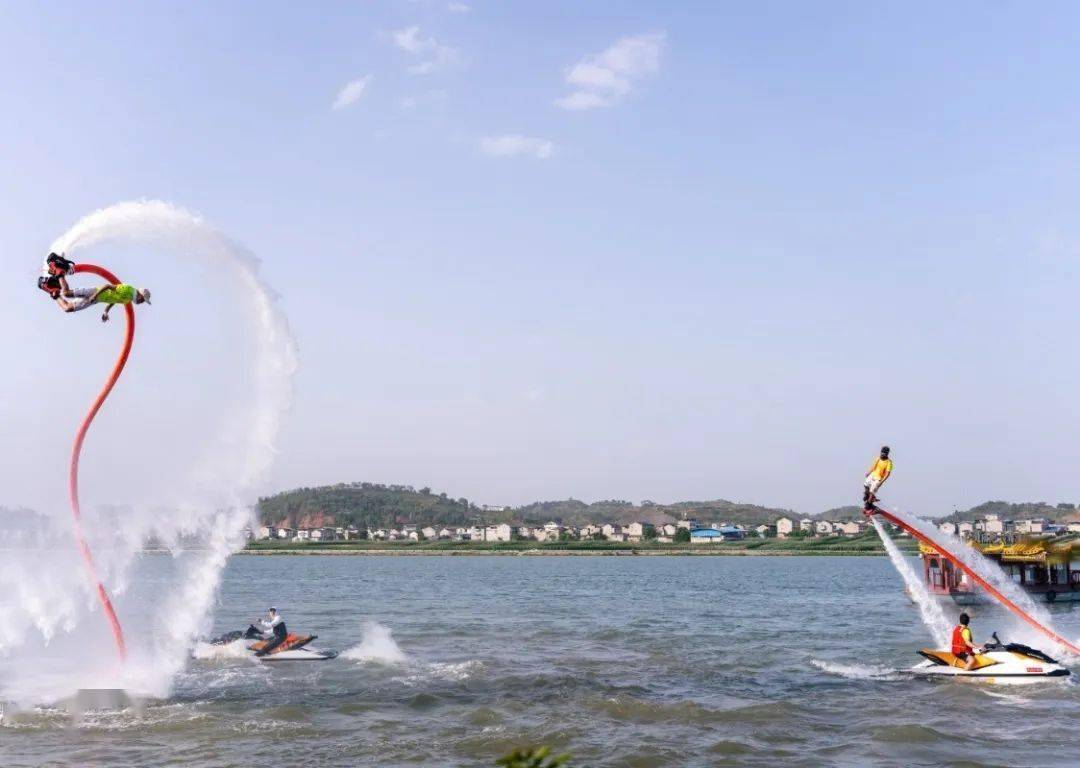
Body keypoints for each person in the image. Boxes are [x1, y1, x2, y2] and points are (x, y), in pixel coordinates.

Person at [51, 282, 151, 320]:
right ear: (140, 295)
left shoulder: (128, 299)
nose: (142, 302)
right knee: (66, 293)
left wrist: (106, 312)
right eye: (143, 300)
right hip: (95, 292)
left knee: (68, 309)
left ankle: (54, 294)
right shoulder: (127, 289)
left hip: (95, 300)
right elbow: (107, 286)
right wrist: (95, 295)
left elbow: (113, 301)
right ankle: (60, 272)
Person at [863, 445, 893, 510]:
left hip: (878, 478)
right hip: (873, 475)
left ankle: (868, 505)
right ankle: (868, 496)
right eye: (881, 452)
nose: (882, 454)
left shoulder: (889, 462)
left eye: (884, 453)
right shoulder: (878, 458)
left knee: (872, 490)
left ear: (886, 454)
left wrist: (881, 482)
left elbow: (887, 474)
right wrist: (868, 472)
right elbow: (873, 467)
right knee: (866, 484)